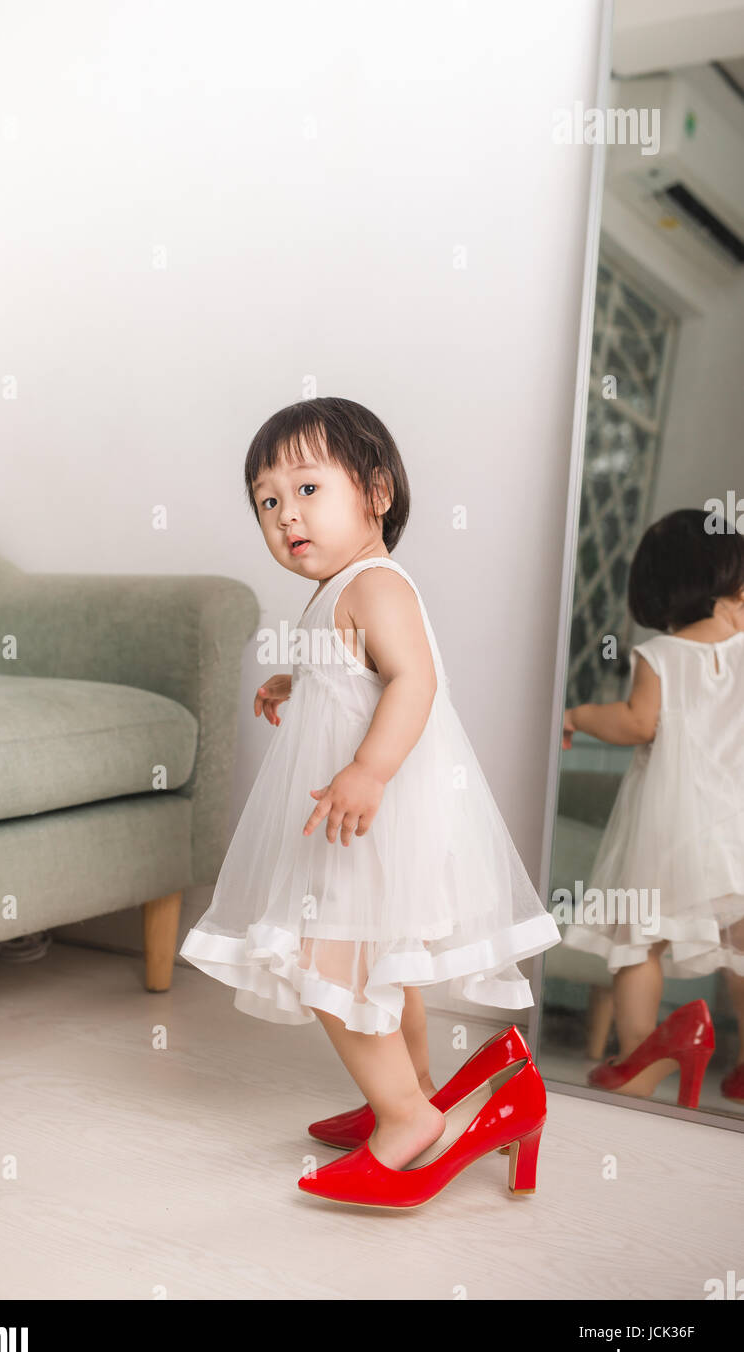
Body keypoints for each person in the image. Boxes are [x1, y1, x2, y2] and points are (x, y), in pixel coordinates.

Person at [180, 397, 560, 1194]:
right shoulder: (339, 590)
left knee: (328, 957)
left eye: (307, 489)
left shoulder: (374, 582)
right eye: (267, 501)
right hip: (358, 824)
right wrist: (303, 678)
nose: (286, 515)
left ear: (376, 492)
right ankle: (407, 1091)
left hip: (374, 813)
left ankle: (407, 1120)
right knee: (379, 960)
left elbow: (412, 679)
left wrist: (370, 770)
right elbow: (355, 670)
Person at [562, 509, 744, 1103]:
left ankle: (643, 1054)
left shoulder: (660, 655)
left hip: (671, 826)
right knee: (740, 942)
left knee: (640, 939)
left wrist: (581, 715)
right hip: (734, 827)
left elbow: (639, 723)